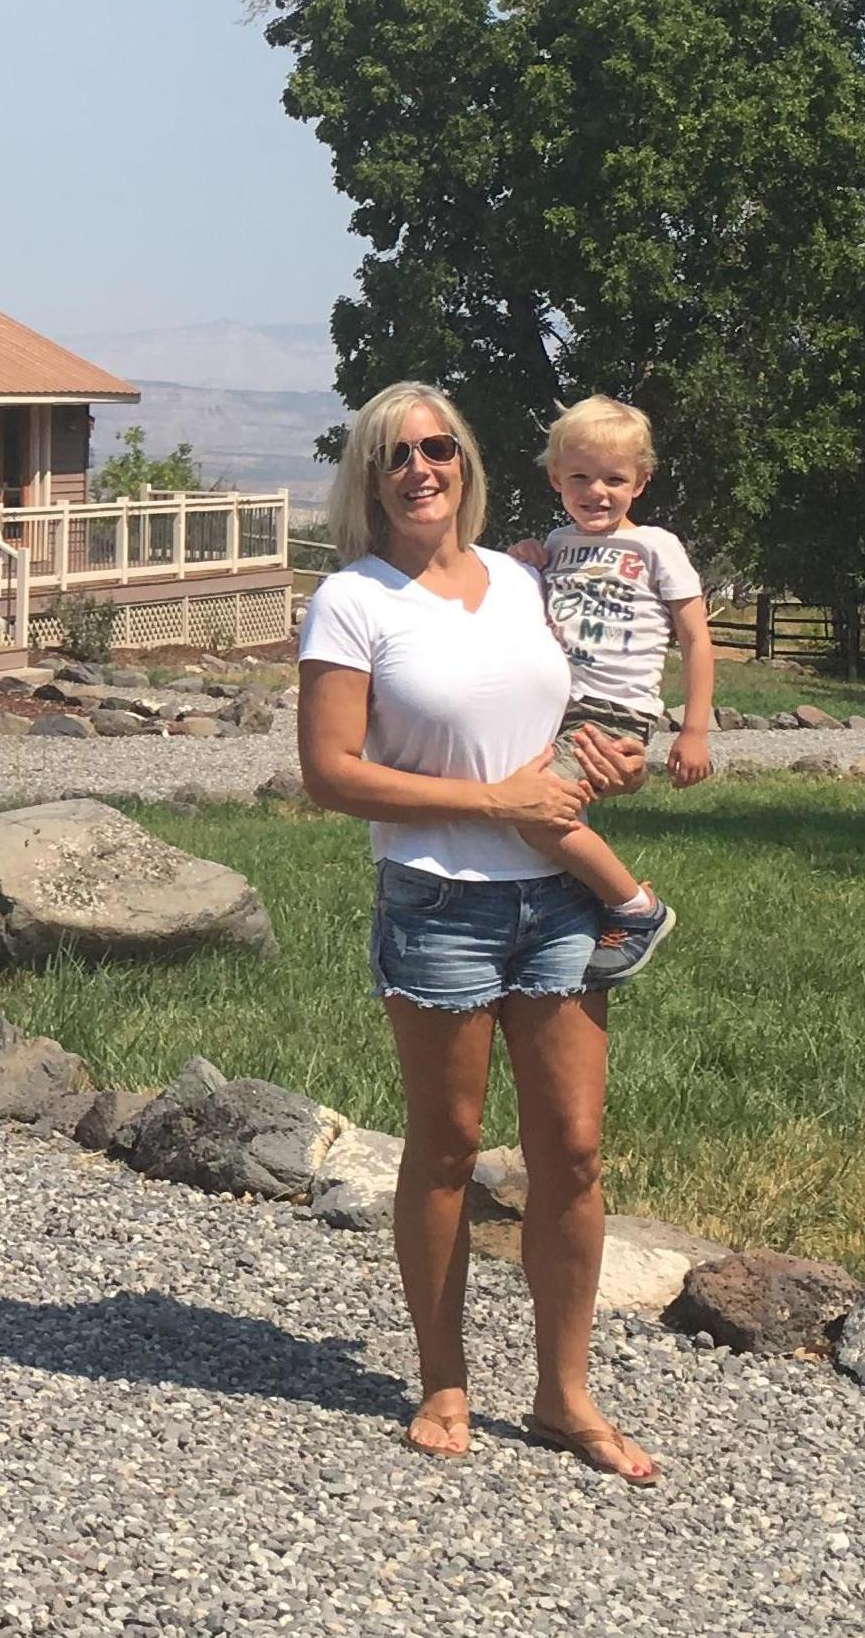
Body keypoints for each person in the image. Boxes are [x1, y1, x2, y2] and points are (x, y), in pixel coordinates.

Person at [295, 381, 659, 1480]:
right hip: (438, 903)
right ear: (369, 476)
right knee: (447, 1145)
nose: (419, 466)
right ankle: (443, 1375)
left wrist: (615, 756)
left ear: (464, 461)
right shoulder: (350, 601)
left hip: (558, 900)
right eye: (394, 453)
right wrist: (488, 805)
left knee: (573, 1149)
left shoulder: (521, 577)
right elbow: (330, 774)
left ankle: (562, 1394)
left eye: (437, 446)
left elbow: (579, 704)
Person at [503, 395, 717, 984]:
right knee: (541, 808)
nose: (596, 491)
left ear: (640, 483)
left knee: (535, 814)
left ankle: (637, 910)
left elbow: (697, 639)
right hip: (554, 708)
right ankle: (590, 905)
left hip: (613, 712)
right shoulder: (557, 544)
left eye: (614, 479)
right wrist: (527, 560)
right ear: (555, 477)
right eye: (580, 477)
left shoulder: (656, 546)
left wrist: (693, 729)